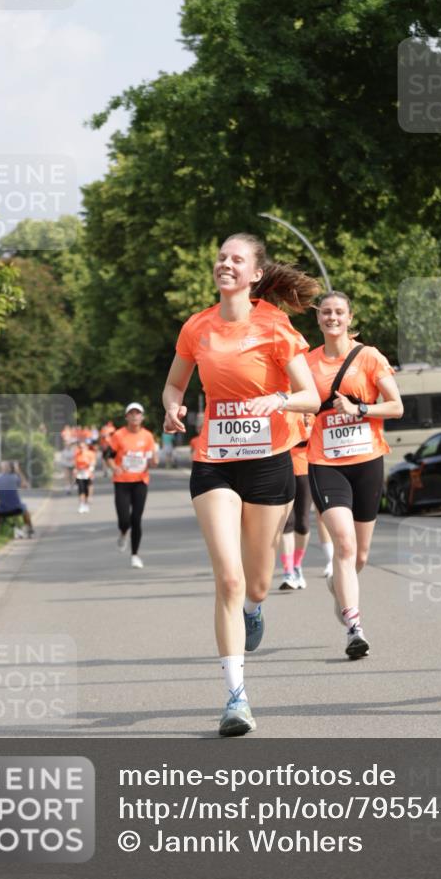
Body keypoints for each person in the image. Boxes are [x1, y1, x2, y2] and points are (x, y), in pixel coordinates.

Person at [162, 233, 321, 737]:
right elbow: (174, 383)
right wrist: (171, 407)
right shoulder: (197, 327)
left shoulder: (275, 326)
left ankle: (255, 608)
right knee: (227, 579)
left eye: (237, 259)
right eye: (221, 257)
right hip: (215, 462)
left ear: (255, 274)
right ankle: (236, 698)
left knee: (254, 583)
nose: (225, 264)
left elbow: (311, 396)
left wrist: (278, 401)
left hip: (270, 462)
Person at [306, 291, 403, 659]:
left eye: (339, 312)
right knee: (343, 544)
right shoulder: (307, 362)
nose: (332, 318)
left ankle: (339, 586)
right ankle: (354, 627)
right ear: (318, 319)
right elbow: (298, 400)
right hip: (325, 463)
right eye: (326, 312)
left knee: (359, 555)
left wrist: (359, 408)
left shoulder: (369, 357)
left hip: (366, 462)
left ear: (349, 317)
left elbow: (396, 406)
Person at [106, 403, 158, 569]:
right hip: (122, 482)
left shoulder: (148, 436)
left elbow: (152, 459)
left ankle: (135, 554)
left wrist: (154, 460)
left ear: (142, 417)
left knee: (136, 519)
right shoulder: (118, 435)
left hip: (140, 482)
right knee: (124, 520)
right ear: (126, 417)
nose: (135, 416)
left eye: (138, 413)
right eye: (131, 413)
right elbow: (108, 456)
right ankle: (123, 533)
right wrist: (115, 467)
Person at [278, 417, 313, 591]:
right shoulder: (278, 406)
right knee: (286, 522)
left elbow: (312, 436)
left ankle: (297, 565)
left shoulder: (310, 408)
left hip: (306, 469)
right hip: (281, 469)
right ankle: (288, 571)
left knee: (303, 523)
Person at [0, 460, 34, 536]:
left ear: (1, 468)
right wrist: (18, 471)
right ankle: (30, 529)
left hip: (2, 510)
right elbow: (26, 486)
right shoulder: (14, 477)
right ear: (11, 468)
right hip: (16, 508)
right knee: (26, 511)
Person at [73, 440, 96, 513]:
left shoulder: (90, 453)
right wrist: (76, 470)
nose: (81, 448)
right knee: (81, 490)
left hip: (88, 474)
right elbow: (75, 464)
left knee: (87, 490)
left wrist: (89, 467)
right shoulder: (77, 454)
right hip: (80, 475)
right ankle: (81, 505)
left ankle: (86, 504)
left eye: (83, 447)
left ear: (86, 447)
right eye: (80, 447)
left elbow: (93, 463)